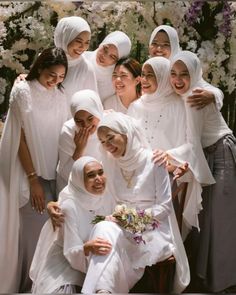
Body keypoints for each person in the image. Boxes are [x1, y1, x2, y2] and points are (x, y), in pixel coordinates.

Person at [79, 112, 190, 293]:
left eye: (110, 138)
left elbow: (164, 207)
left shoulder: (154, 160)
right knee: (103, 228)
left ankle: (102, 290)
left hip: (152, 228)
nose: (107, 146)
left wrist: (131, 219)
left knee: (107, 239)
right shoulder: (110, 163)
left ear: (125, 133)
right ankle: (103, 291)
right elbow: (82, 183)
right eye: (102, 141)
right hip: (121, 226)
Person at [0, 47, 68, 293]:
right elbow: (19, 138)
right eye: (51, 74)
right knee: (30, 233)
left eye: (61, 77)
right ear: (39, 67)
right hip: (27, 173)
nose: (55, 81)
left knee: (47, 234)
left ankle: (39, 286)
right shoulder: (22, 91)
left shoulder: (60, 95)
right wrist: (33, 179)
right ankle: (24, 285)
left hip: (53, 174)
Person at [169, 50, 236, 292]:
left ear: (194, 74)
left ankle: (225, 282)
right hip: (210, 155)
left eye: (184, 74)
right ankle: (212, 278)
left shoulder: (193, 97)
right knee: (209, 220)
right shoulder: (191, 91)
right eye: (173, 74)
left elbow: (191, 144)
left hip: (222, 154)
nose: (178, 80)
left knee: (222, 220)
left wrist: (165, 154)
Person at [30, 156, 115, 293]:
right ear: (79, 180)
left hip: (96, 258)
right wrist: (87, 248)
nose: (98, 179)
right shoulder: (69, 206)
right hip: (68, 260)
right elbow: (71, 251)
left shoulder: (107, 196)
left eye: (100, 172)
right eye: (91, 176)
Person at [148, 24, 224, 110]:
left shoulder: (181, 66)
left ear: (174, 46)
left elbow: (213, 91)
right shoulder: (146, 70)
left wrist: (212, 96)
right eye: (154, 43)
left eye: (166, 44)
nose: (159, 48)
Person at [56, 89, 104, 194]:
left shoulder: (107, 125)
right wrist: (79, 149)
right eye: (79, 121)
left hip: (102, 185)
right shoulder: (68, 131)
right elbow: (66, 174)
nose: (86, 125)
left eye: (90, 119)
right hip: (73, 189)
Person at [54, 16, 98, 112]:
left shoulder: (86, 68)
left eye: (87, 43)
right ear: (64, 37)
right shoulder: (45, 60)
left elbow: (92, 105)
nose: (83, 47)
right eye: (78, 41)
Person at [84, 31, 132, 102]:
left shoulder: (116, 80)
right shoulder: (81, 59)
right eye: (105, 49)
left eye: (112, 57)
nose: (104, 56)